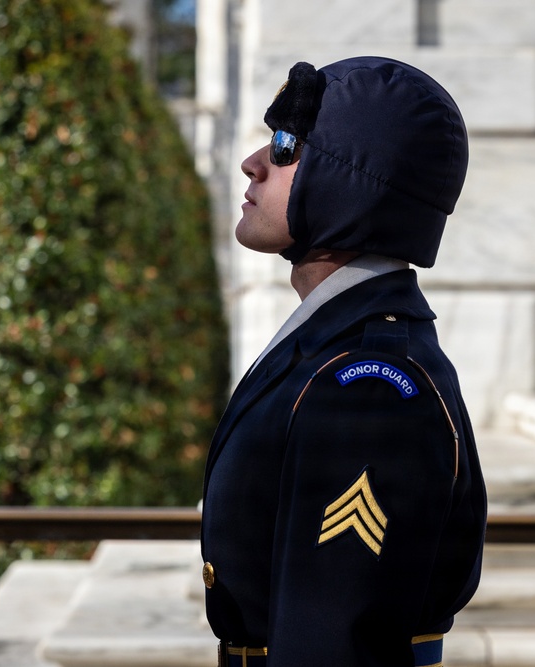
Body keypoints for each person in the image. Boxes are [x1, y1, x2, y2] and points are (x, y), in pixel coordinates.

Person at [200, 57, 487, 667]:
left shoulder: (368, 384)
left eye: (284, 145)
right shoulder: (334, 344)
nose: (253, 163)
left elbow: (334, 640)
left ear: (348, 178)